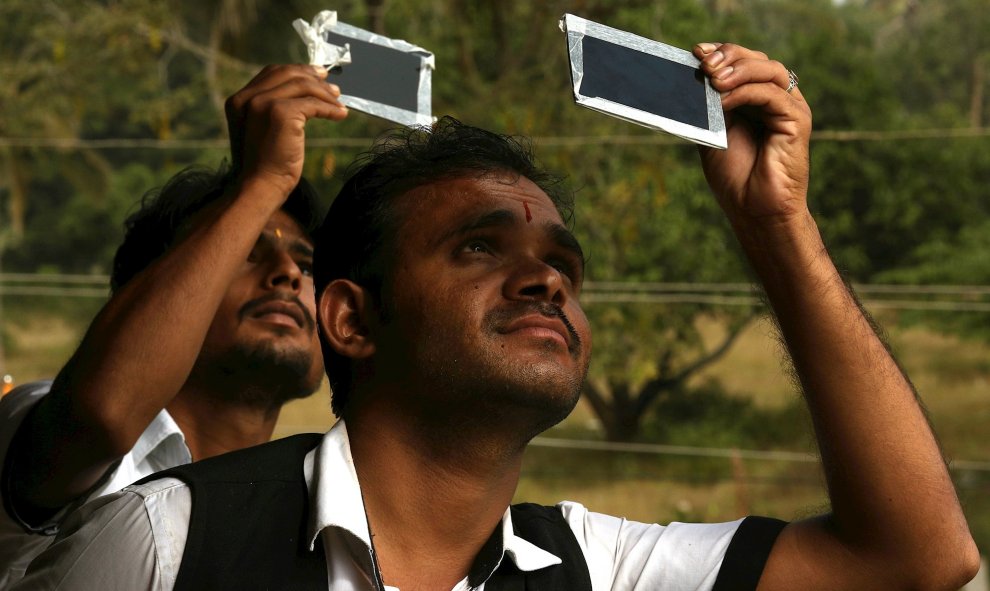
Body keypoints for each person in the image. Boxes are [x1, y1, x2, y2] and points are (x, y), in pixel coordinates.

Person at [15, 44, 980, 591]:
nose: (545, 280)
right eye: (479, 247)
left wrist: (775, 227)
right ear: (349, 321)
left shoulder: (590, 568)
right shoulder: (163, 541)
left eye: (564, 263)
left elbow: (917, 561)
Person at [0, 64, 348, 586]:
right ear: (150, 288)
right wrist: (262, 182)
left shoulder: (322, 520)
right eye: (248, 252)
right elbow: (105, 414)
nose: (287, 275)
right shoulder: (41, 425)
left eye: (307, 264)